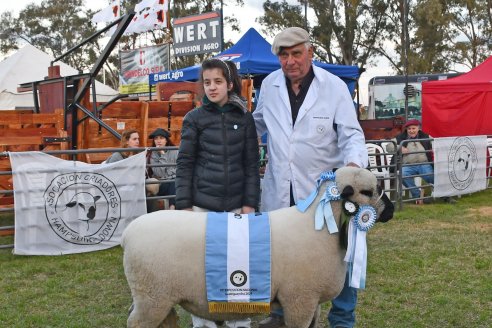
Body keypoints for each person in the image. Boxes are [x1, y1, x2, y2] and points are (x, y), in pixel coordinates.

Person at [252, 27, 368, 328]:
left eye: (296, 54)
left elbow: (351, 133)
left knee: (339, 255)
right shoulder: (269, 85)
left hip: (325, 194)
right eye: (284, 55)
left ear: (310, 52)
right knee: (281, 257)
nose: (290, 61)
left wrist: (353, 169)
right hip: (282, 191)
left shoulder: (334, 87)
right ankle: (281, 315)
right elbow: (257, 124)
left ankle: (342, 319)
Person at [175, 59, 260, 328]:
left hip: (237, 206)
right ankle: (203, 322)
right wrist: (184, 205)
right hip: (202, 207)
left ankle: (239, 321)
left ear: (230, 84)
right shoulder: (194, 118)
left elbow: (250, 163)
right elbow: (185, 163)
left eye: (218, 82)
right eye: (207, 82)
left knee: (239, 265)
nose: (212, 87)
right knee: (201, 269)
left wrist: (249, 203)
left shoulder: (245, 118)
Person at [387, 119, 456, 204]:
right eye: (409, 129)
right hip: (407, 165)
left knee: (431, 176)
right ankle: (419, 196)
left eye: (413, 128)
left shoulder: (426, 136)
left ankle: (446, 196)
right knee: (403, 175)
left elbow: (437, 143)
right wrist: (399, 147)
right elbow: (389, 146)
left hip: (424, 164)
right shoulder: (400, 137)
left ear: (418, 128)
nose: (411, 131)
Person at [146, 128, 178, 211]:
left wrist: (168, 173)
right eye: (156, 138)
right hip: (161, 184)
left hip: (174, 182)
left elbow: (180, 169)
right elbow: (160, 173)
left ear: (166, 140)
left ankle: (172, 207)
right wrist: (162, 154)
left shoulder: (175, 151)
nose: (158, 141)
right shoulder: (152, 154)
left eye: (161, 138)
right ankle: (172, 207)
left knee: (173, 182)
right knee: (172, 182)